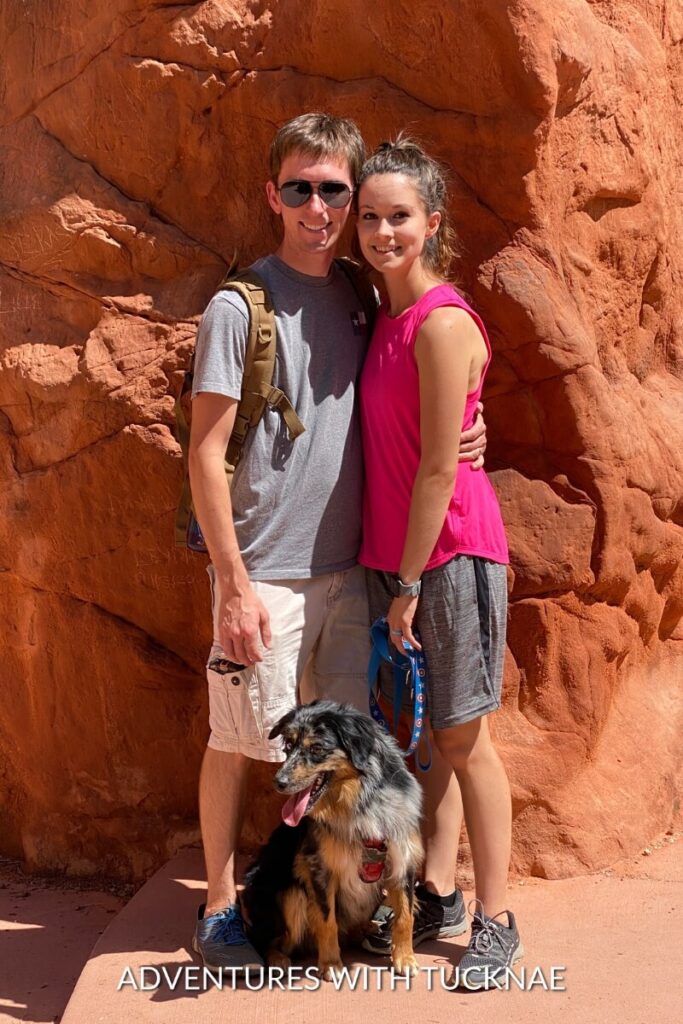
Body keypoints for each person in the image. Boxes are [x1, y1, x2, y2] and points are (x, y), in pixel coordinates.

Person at [187, 114, 487, 972]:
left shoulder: (364, 293)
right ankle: (215, 906)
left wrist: (471, 426)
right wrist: (233, 586)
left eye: (333, 191)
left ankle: (340, 902)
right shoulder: (237, 306)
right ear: (272, 196)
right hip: (266, 576)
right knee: (238, 742)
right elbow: (205, 456)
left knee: (343, 750)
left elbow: (428, 378)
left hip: (350, 573)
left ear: (354, 199)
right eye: (299, 188)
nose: (316, 207)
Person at [355, 136, 521, 990]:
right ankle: (442, 892)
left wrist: (411, 585)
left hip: (447, 557)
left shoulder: (443, 321)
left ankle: (496, 920)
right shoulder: (382, 315)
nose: (383, 231)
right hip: (398, 560)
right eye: (371, 216)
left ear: (432, 223)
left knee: (462, 738)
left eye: (399, 216)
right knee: (430, 746)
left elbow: (435, 467)